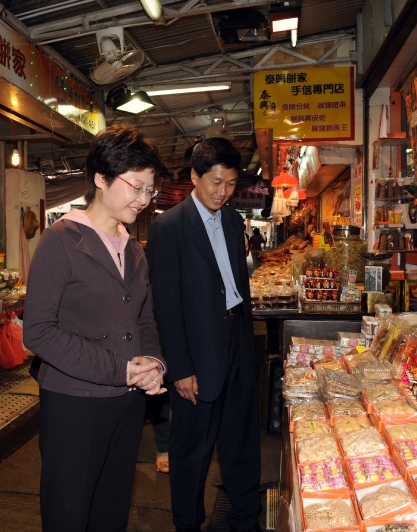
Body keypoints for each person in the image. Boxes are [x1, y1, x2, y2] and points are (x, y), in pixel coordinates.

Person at [23, 124, 168, 531]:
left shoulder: (134, 247)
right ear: (101, 179)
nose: (143, 199)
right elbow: (38, 331)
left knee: (111, 508)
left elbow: (144, 319)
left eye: (149, 190)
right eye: (135, 186)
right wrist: (118, 369)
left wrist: (154, 363)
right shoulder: (61, 241)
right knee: (69, 512)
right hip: (75, 403)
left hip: (126, 402)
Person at [147, 138, 262, 532]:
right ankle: (188, 523)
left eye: (230, 184)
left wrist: (246, 347)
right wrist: (179, 368)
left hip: (238, 348)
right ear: (194, 176)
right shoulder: (169, 227)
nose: (222, 192)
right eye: (215, 182)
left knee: (243, 443)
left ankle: (246, 520)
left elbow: (236, 287)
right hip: (198, 355)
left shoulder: (232, 221)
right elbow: (165, 304)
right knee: (191, 452)